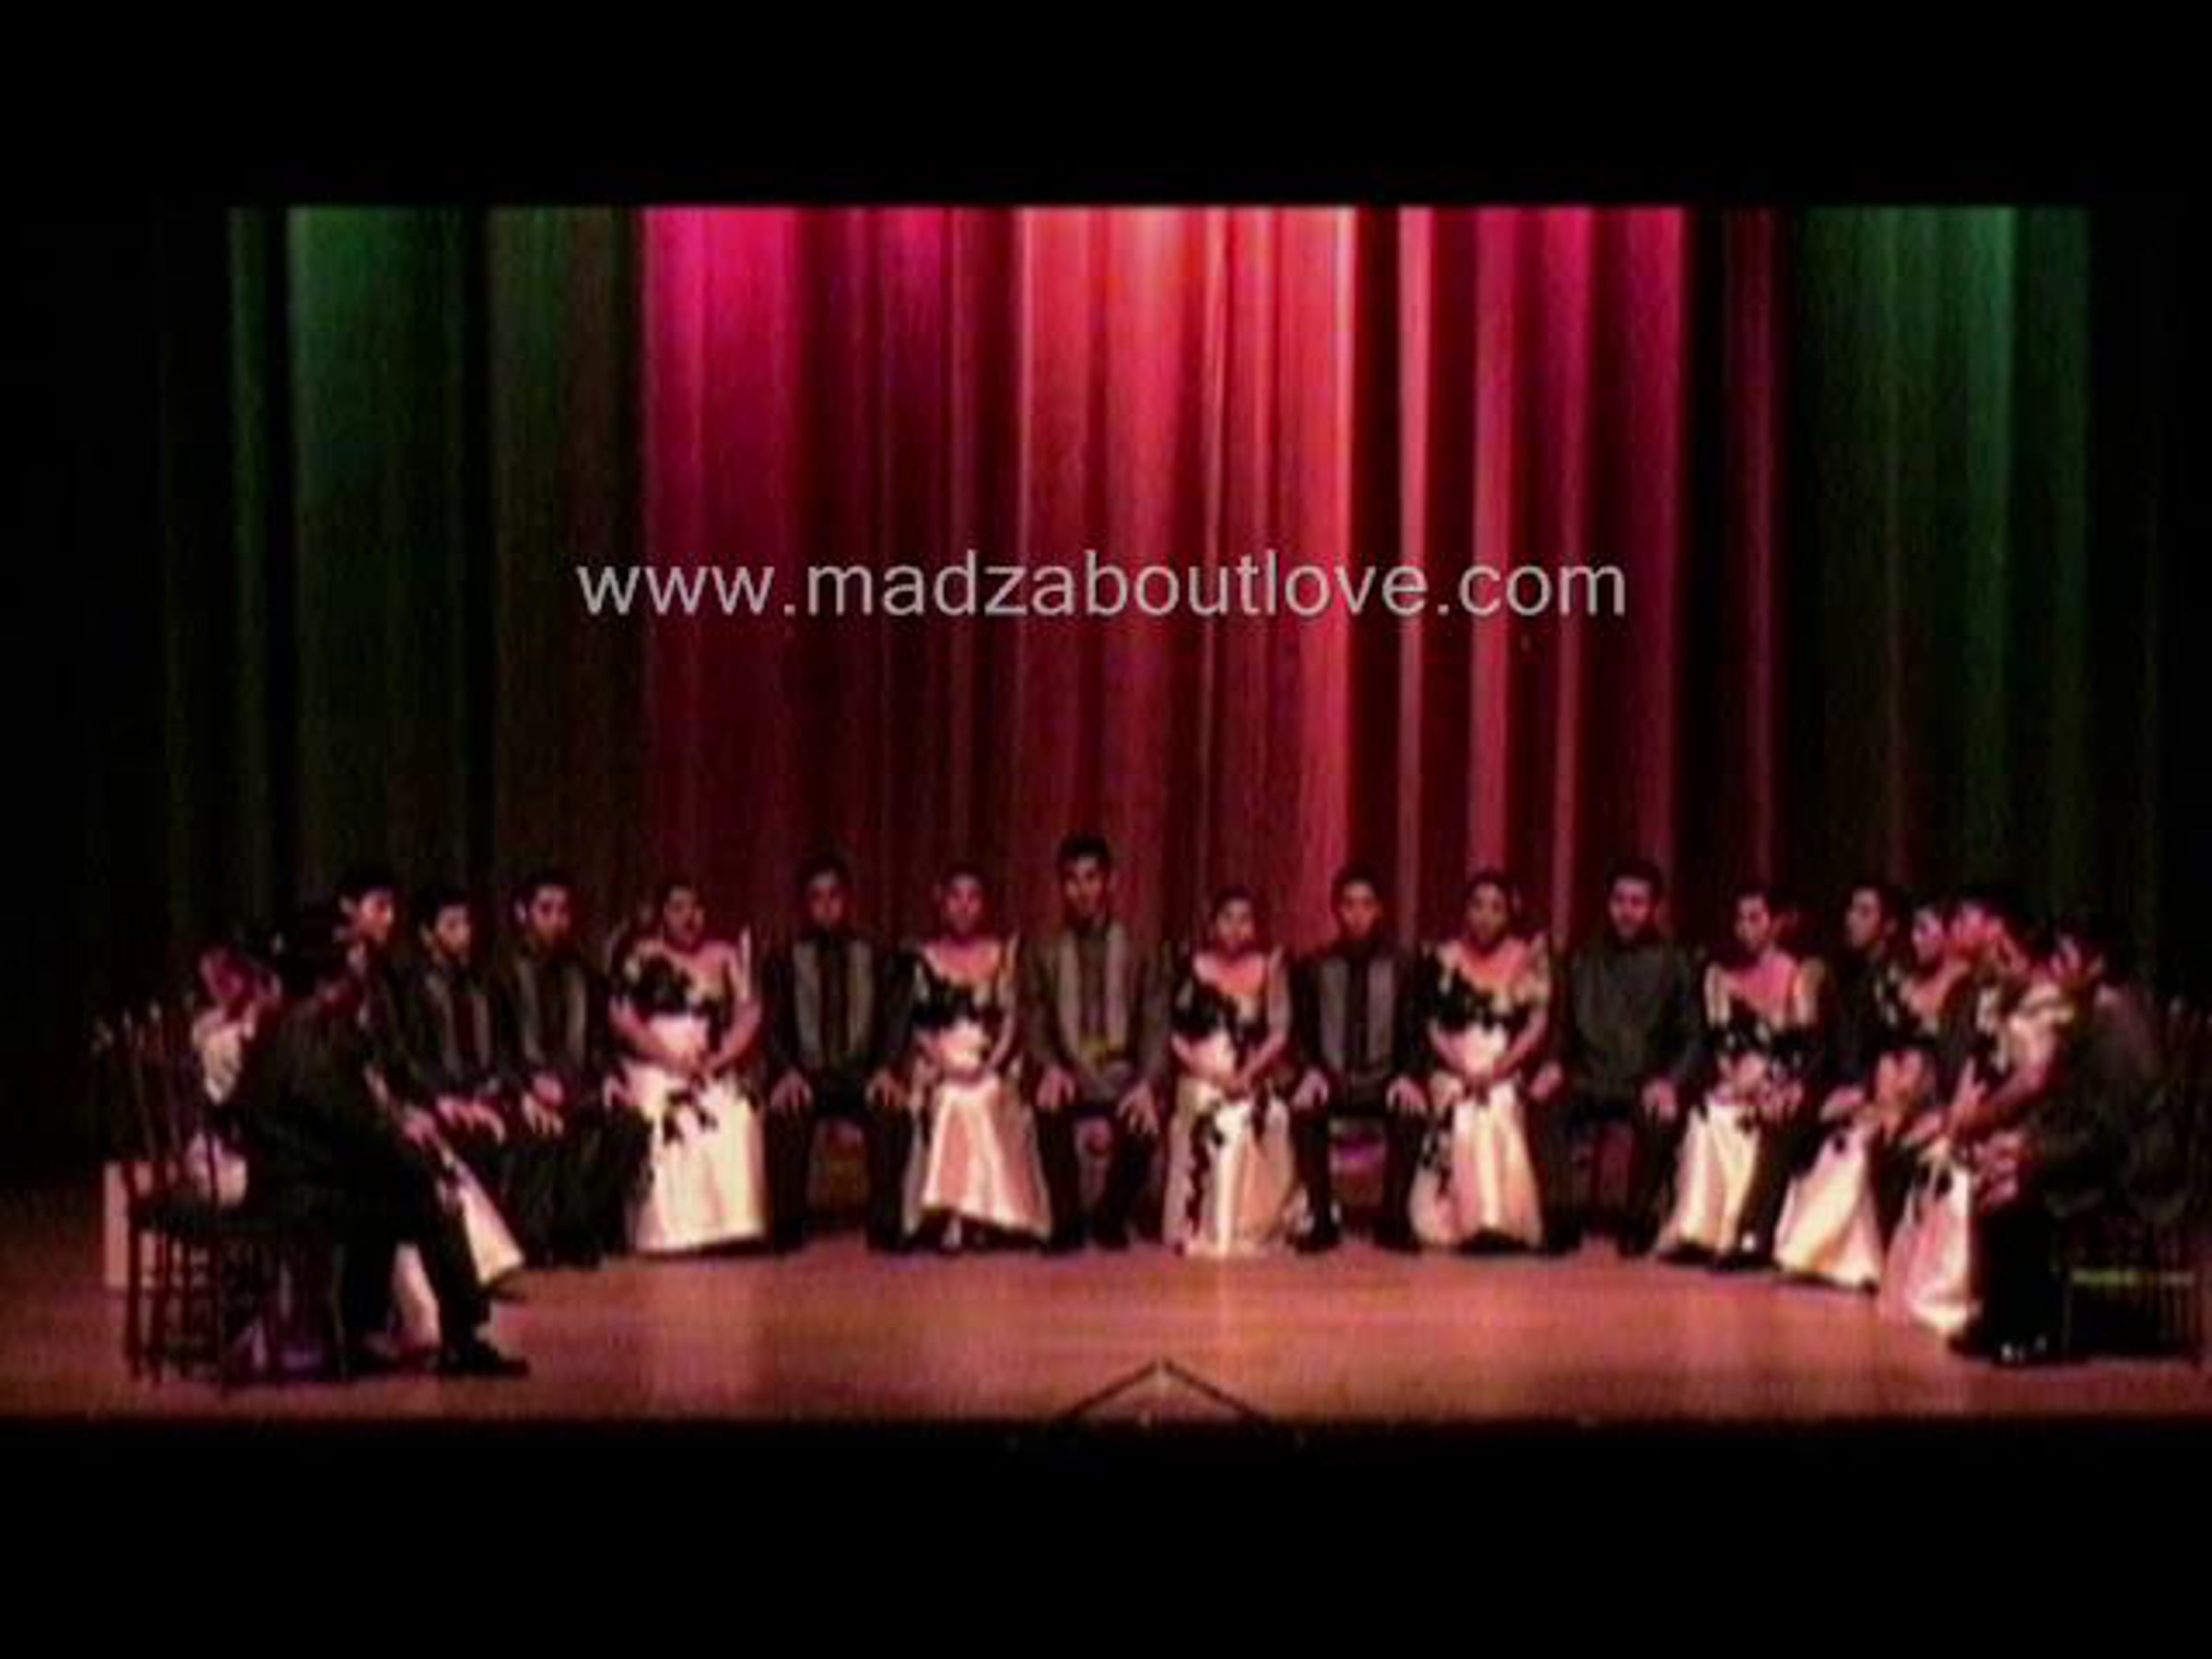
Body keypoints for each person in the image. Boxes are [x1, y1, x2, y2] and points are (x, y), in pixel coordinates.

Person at [229, 912, 527, 1378]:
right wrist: (423, 1167)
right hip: (304, 1190)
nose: (359, 977)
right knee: (433, 1204)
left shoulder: (283, 1025)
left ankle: (361, 1329)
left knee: (404, 1191)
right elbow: (356, 1127)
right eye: (349, 968)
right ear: (327, 981)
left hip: (292, 1177)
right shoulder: (313, 1035)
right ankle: (462, 1340)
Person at [1953, 912, 2170, 1364]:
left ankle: (2038, 1330)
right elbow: (2063, 1107)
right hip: (2093, 1149)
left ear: (2097, 965)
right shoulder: (2087, 1019)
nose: (2054, 967)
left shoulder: (2119, 1029)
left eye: (2066, 957)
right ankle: (2001, 1315)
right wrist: (2019, 1142)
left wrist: (2032, 1157)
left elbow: (2108, 1133)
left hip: (2129, 1169)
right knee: (1997, 1172)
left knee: (2018, 1192)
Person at [1528, 857, 1703, 1255]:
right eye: (1619, 900)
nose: (1627, 911)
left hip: (1645, 1081)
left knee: (1661, 1116)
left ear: (1654, 907)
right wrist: (1552, 1065)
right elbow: (1562, 1027)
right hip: (1588, 1077)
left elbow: (1692, 1037)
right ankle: (1560, 1216)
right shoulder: (1581, 957)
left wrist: (1670, 1081)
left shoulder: (1675, 963)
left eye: (1637, 902)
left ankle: (1637, 1220)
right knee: (1543, 1105)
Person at [1655, 884, 1822, 1268]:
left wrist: (1773, 1083)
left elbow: (1808, 1049)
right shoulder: (1721, 977)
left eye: (1755, 918)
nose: (1746, 927)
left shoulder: (1800, 976)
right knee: (1709, 1113)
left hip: (1779, 1082)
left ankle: (1746, 1232)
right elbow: (1718, 1043)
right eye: (1740, 919)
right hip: (1735, 1078)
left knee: (1749, 1117)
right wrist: (1732, 1080)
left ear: (1776, 924)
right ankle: (1698, 1230)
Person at [491, 869, 652, 1267]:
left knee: (630, 1126)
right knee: (549, 1126)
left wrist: (609, 1077)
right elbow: (494, 1047)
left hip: (578, 1084)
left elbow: (601, 1041)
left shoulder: (583, 973)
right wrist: (526, 1085)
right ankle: (536, 1236)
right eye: (546, 910)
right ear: (522, 913)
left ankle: (577, 1225)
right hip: (522, 1086)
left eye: (563, 911)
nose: (557, 920)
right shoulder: (499, 975)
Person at [1020, 834, 1172, 1252]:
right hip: (1068, 1072)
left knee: (1145, 1119)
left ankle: (1110, 1216)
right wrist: (1050, 1067)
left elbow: (1155, 1021)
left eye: (1091, 878)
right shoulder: (1043, 950)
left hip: (1124, 1075)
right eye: (1072, 880)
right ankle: (1066, 1223)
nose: (1082, 890)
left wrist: (1147, 1083)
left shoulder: (1141, 948)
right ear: (1061, 886)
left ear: (1111, 882)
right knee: (1049, 1104)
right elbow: (1034, 1021)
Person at [609, 879, 771, 1254]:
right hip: (655, 1063)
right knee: (671, 1117)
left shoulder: (723, 955)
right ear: (662, 914)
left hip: (707, 1063)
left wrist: (718, 1058)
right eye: (678, 908)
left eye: (696, 908)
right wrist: (669, 1060)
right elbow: (623, 1017)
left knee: (736, 1112)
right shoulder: (642, 955)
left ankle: (733, 1226)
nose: (689, 917)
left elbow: (750, 1014)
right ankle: (678, 1232)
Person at [894, 864, 1051, 1249]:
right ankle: (952, 1214)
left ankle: (985, 1214)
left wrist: (989, 1066)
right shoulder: (923, 958)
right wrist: (947, 1066)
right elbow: (919, 1028)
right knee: (951, 1097)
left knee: (984, 1095)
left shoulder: (1001, 955)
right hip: (939, 1061)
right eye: (956, 897)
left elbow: (1010, 1021)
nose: (964, 906)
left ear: (983, 905)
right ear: (941, 902)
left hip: (988, 1060)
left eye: (972, 897)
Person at [759, 855, 909, 1253]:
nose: (826, 906)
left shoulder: (874, 953)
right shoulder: (784, 958)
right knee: (785, 1112)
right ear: (805, 904)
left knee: (891, 1112)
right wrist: (786, 1072)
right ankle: (789, 1226)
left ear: (847, 899)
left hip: (862, 1074)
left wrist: (887, 1069)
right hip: (806, 1075)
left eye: (834, 896)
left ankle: (885, 1227)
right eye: (817, 898)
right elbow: (770, 1026)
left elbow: (894, 1021)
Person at [1402, 871, 1550, 1253]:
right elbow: (1433, 1024)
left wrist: (1500, 1069)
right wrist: (1463, 1070)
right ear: (1466, 910)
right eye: (1478, 906)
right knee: (1463, 1107)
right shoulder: (1444, 957)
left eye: (1496, 908)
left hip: (1504, 1064)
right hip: (1454, 1064)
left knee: (1497, 1105)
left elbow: (1535, 1025)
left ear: (1509, 913)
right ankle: (1467, 1221)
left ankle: (1498, 1221)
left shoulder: (1527, 956)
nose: (1486, 916)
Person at [1288, 865, 1425, 1253]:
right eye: (1349, 904)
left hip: (1385, 1079)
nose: (1357, 914)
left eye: (1366, 904)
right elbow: (1300, 1032)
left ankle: (1393, 1219)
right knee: (1305, 1110)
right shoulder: (1315, 966)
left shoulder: (1402, 966)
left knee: (1411, 1112)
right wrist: (1310, 1071)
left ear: (1379, 909)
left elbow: (1417, 1032)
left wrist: (1408, 1075)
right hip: (1332, 1078)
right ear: (1336, 909)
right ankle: (1322, 1219)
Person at [1161, 888, 1304, 1257]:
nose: (1236, 928)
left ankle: (1243, 1223)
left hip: (1250, 1075)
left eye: (1244, 919)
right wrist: (1209, 1073)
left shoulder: (1269, 967)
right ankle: (1200, 1222)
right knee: (1205, 1105)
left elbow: (1279, 1032)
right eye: (1227, 918)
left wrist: (1247, 1074)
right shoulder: (1192, 965)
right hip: (1200, 1074)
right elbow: (1174, 1034)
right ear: (1212, 924)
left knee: (1252, 1115)